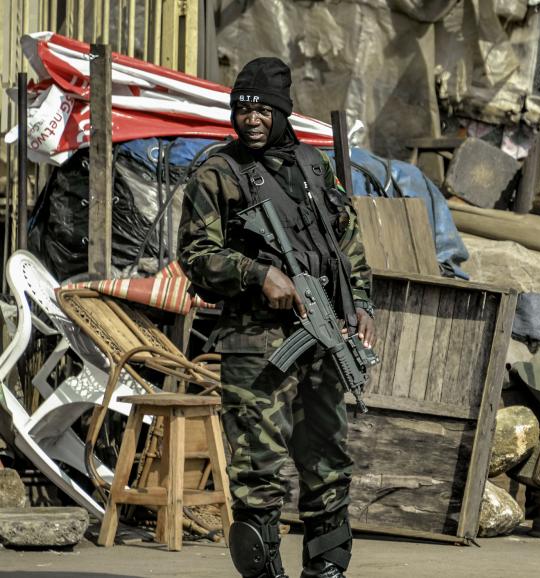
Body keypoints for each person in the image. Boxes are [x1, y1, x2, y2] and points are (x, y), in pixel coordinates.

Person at [178, 57, 374, 578]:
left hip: (323, 337)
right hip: (255, 342)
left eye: (263, 109)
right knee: (257, 469)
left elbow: (347, 240)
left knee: (328, 462)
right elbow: (194, 256)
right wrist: (257, 273)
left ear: (283, 112)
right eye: (243, 109)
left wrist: (361, 303)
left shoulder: (314, 166)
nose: (252, 119)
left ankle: (327, 568)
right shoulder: (218, 172)